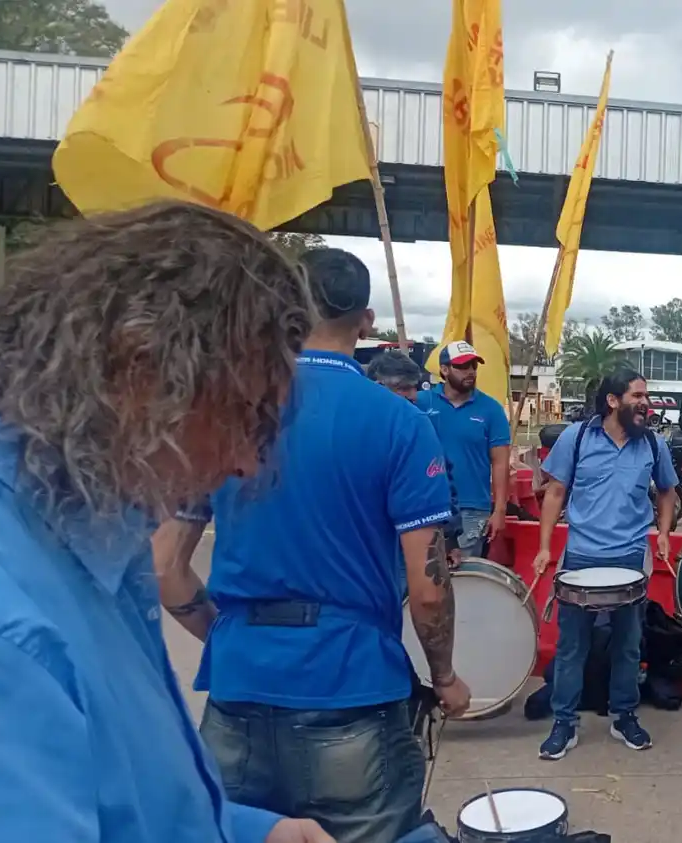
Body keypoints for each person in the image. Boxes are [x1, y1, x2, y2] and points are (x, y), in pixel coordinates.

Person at [0, 202, 332, 842]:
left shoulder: (85, 532)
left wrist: (244, 831)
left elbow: (121, 799)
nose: (245, 461)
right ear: (141, 370)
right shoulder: (8, 629)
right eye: (244, 414)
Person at [159, 248, 469, 843]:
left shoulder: (226, 413)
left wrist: (230, 632)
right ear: (368, 320)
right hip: (352, 689)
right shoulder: (401, 422)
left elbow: (165, 567)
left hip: (237, 689)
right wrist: (445, 675)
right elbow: (427, 591)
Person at [533, 368, 679, 760]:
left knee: (628, 645)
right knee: (571, 646)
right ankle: (564, 722)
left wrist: (663, 532)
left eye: (646, 396)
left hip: (631, 555)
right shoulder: (576, 437)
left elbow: (667, 492)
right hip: (580, 555)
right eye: (637, 396)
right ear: (613, 401)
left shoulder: (652, 444)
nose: (645, 404)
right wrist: (545, 547)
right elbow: (555, 493)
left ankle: (624, 715)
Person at [370, 351, 465, 567]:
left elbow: (443, 483)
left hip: (411, 543)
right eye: (403, 388)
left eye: (415, 387)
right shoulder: (352, 429)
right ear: (377, 386)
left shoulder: (419, 426)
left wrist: (450, 538)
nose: (413, 395)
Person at [417, 341, 512, 556]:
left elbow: (500, 462)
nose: (470, 371)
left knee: (462, 579)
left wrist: (499, 510)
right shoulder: (421, 403)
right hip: (425, 503)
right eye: (462, 366)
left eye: (473, 366)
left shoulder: (491, 410)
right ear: (444, 369)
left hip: (472, 508)